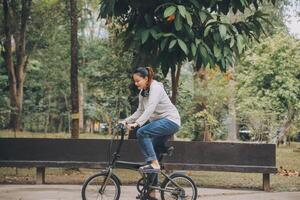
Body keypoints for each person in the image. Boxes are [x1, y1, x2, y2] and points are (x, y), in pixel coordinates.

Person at [123, 67, 181, 173]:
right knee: (152, 158)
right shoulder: (142, 93)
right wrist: (125, 121)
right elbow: (140, 111)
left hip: (170, 121)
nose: (136, 84)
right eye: (134, 81)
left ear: (146, 78)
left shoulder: (156, 88)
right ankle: (153, 189)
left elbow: (150, 108)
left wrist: (136, 124)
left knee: (142, 132)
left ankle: (154, 163)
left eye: (138, 81)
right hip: (160, 124)